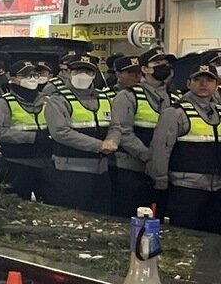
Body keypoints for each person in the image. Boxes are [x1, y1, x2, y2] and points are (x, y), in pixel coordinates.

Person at [149, 63, 221, 232]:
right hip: (185, 189)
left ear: (216, 85)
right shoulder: (175, 113)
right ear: (189, 83)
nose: (203, 84)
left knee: (213, 242)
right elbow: (160, 150)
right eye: (198, 80)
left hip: (216, 189)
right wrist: (160, 181)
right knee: (182, 237)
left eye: (209, 80)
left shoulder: (218, 112)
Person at [42, 58, 115, 214]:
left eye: (87, 71)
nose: (82, 75)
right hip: (70, 171)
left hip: (101, 171)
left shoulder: (104, 97)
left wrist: (112, 140)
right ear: (69, 73)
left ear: (94, 74)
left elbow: (116, 125)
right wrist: (99, 145)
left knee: (101, 217)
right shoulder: (58, 99)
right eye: (77, 71)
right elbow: (60, 132)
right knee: (71, 218)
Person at [110, 53, 176, 217]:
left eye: (166, 63)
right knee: (129, 219)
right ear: (145, 69)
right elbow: (123, 132)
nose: (164, 66)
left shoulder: (175, 98)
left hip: (163, 174)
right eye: (158, 62)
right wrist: (150, 157)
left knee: (157, 221)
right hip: (132, 169)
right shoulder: (127, 95)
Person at [0, 61, 53, 202]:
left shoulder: (47, 101)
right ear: (13, 79)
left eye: (35, 75)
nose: (32, 79)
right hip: (16, 164)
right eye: (26, 75)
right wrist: (33, 137)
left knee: (50, 208)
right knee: (15, 209)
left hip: (45, 163)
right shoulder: (4, 103)